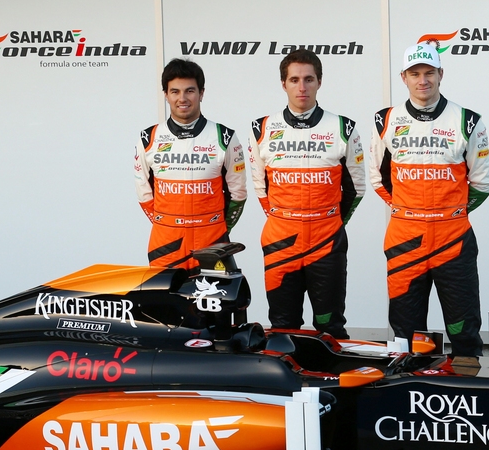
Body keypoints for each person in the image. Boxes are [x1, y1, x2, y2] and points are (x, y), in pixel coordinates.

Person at [368, 43, 489, 374]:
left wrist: (449, 213)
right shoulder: (386, 120)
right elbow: (378, 179)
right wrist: (409, 209)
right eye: (415, 74)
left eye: (429, 73)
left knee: (463, 327)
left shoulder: (467, 120)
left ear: (440, 75)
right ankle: (407, 384)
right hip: (405, 236)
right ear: (404, 78)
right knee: (405, 329)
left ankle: (467, 386)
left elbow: (481, 185)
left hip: (453, 236)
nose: (422, 81)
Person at [247, 48, 364, 337]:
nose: (302, 87)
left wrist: (330, 220)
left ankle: (333, 380)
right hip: (281, 238)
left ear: (319, 82)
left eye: (309, 79)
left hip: (327, 239)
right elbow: (261, 189)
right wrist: (289, 219)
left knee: (330, 324)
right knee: (283, 323)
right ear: (283, 84)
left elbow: (356, 188)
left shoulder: (343, 127)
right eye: (294, 80)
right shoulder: (262, 128)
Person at [135, 59, 248, 269]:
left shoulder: (224, 137)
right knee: (165, 303)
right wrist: (167, 224)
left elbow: (238, 194)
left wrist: (220, 228)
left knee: (218, 301)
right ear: (166, 95)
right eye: (175, 91)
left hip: (212, 242)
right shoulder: (148, 138)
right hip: (166, 244)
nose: (182, 98)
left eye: (190, 91)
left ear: (201, 93)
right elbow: (144, 193)